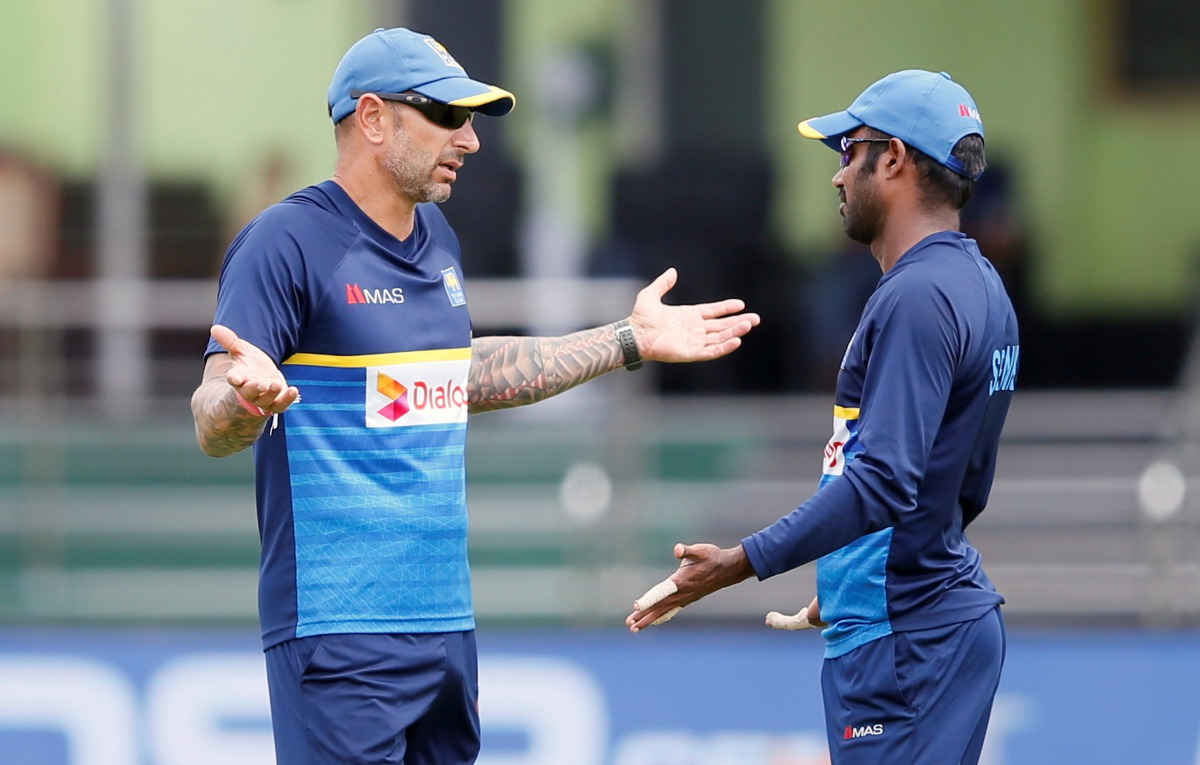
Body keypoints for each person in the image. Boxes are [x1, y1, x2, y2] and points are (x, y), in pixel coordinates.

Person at [190, 27, 759, 765]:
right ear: (372, 118)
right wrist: (244, 402)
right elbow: (211, 418)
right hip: (339, 631)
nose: (472, 141)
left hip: (447, 630)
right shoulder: (285, 242)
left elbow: (458, 377)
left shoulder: (436, 237)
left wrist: (628, 340)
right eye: (450, 117)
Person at [626, 70, 1019, 765]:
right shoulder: (980, 285)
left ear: (893, 158)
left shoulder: (918, 296)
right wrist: (850, 580)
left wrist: (740, 562)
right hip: (920, 622)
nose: (838, 177)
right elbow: (956, 486)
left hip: (907, 641)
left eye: (848, 150)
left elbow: (886, 482)